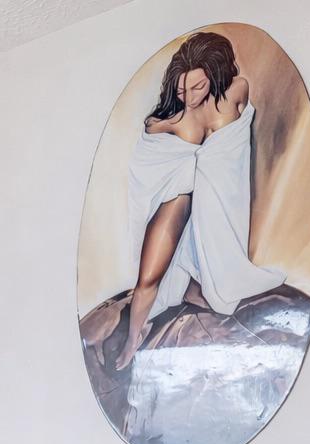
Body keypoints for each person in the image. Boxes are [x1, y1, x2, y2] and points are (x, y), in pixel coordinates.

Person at [108, 31, 284, 371]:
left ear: (216, 73)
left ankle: (191, 289)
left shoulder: (236, 90)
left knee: (209, 275)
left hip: (219, 202)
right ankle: (132, 341)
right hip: (181, 198)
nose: (189, 98)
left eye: (198, 87)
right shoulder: (174, 121)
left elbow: (234, 147)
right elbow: (151, 147)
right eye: (181, 90)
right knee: (149, 278)